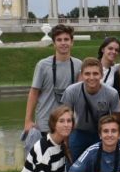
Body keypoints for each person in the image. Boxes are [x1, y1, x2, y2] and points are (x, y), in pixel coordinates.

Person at [23, 24, 81, 152]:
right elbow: (34, 93)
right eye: (59, 40)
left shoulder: (78, 65)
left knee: (65, 159)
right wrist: (28, 120)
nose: (63, 43)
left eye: (66, 39)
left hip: (67, 124)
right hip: (45, 123)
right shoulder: (43, 65)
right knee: (44, 159)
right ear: (54, 43)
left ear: (72, 42)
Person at [61, 58, 120, 161]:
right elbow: (65, 119)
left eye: (95, 74)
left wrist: (110, 139)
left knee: (104, 162)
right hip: (79, 132)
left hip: (101, 132)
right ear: (82, 75)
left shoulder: (111, 93)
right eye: (87, 74)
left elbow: (116, 120)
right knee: (72, 163)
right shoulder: (71, 91)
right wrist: (66, 143)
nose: (91, 77)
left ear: (101, 75)